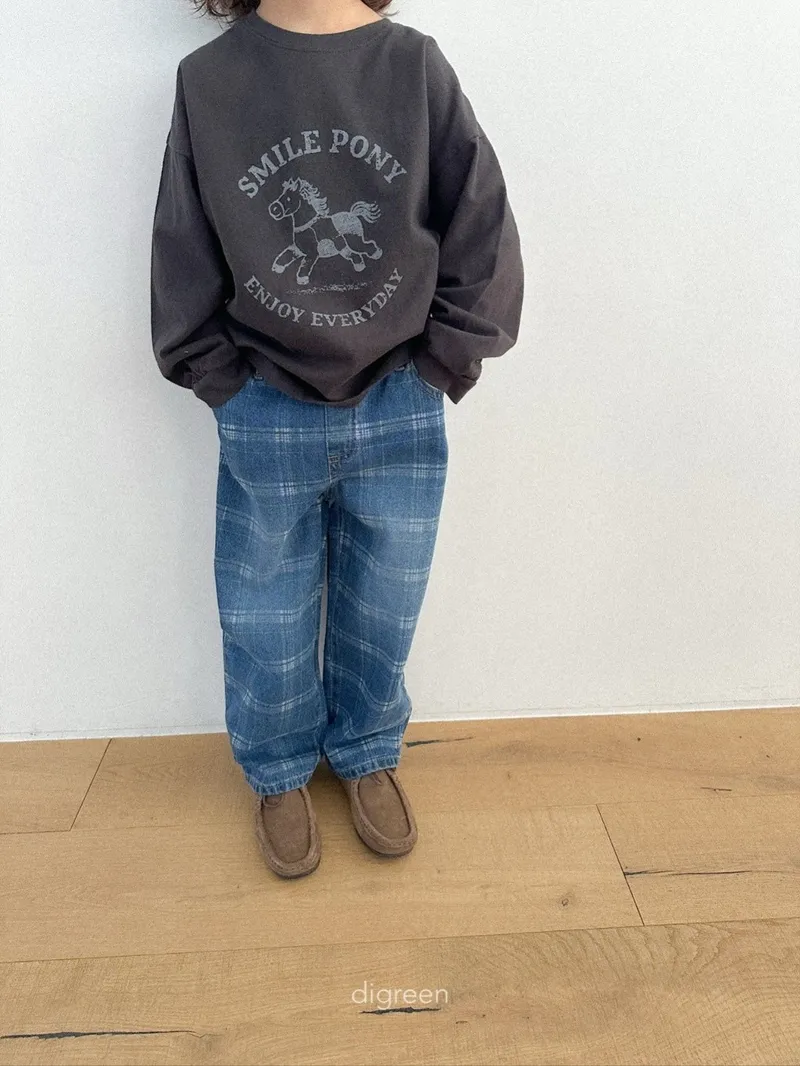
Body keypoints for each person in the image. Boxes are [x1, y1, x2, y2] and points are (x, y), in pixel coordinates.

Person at [150, 0, 524, 879]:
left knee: (386, 596)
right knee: (263, 605)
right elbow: (183, 243)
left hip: (401, 395)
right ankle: (278, 770)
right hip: (264, 404)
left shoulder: (415, 68)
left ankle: (366, 749)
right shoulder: (210, 81)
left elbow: (481, 222)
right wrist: (220, 381)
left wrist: (444, 363)